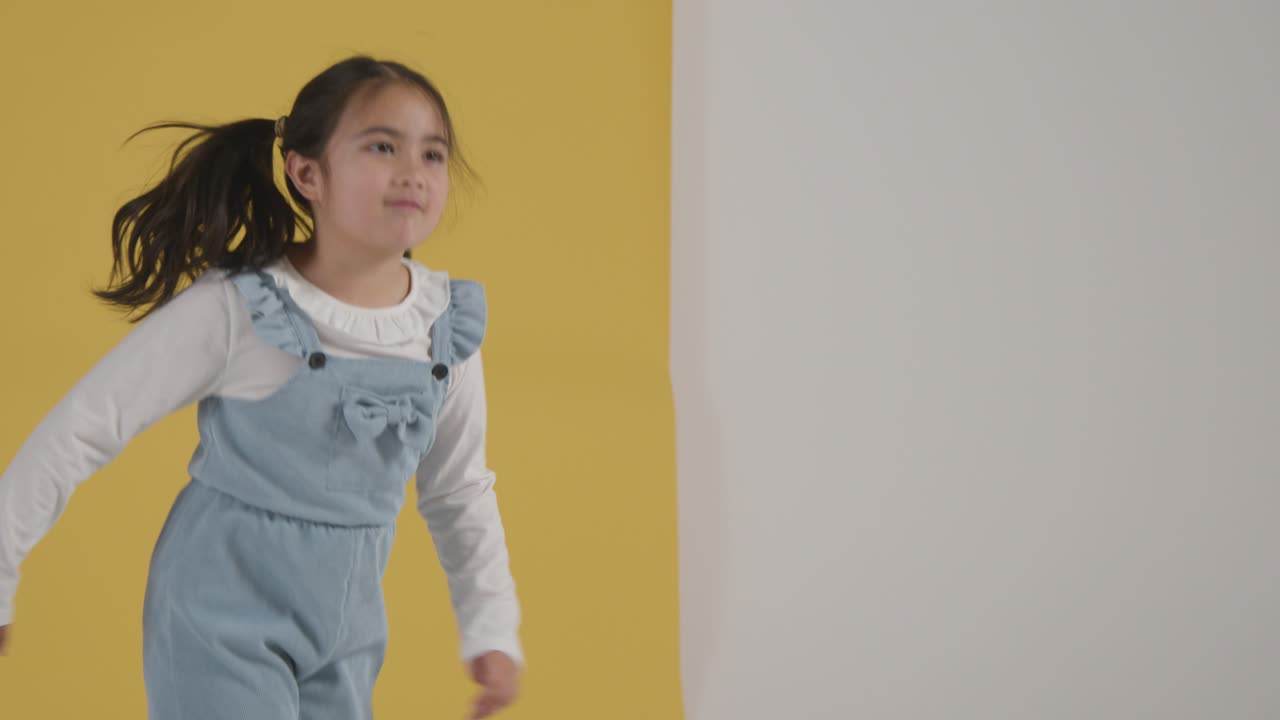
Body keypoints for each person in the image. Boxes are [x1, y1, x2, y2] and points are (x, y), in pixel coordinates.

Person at [0, 55, 523, 719]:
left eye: (433, 154)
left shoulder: (443, 329)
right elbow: (87, 424)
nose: (413, 172)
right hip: (219, 612)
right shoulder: (242, 310)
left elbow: (458, 488)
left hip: (347, 627)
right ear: (308, 173)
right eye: (382, 146)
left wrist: (491, 628)